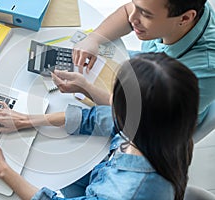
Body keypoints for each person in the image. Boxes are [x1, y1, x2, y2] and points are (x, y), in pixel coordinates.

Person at [0, 53, 199, 200]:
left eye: (114, 97)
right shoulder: (169, 128)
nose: (110, 101)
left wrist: (2, 170)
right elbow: (99, 119)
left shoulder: (122, 192)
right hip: (101, 177)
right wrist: (27, 120)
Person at [67, 0, 215, 124]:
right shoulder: (181, 8)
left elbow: (141, 114)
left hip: (157, 122)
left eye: (145, 14)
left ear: (185, 18)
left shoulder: (202, 70)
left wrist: (86, 88)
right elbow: (127, 12)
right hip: (143, 74)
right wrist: (94, 38)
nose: (132, 18)